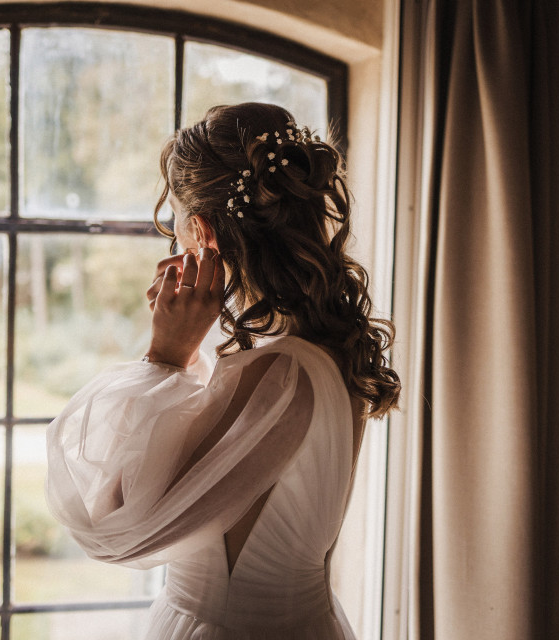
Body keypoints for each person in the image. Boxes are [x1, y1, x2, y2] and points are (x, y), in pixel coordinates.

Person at [46, 102, 400, 639]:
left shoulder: (277, 376)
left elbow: (113, 528)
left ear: (201, 232)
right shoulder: (329, 349)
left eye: (178, 229)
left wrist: (165, 356)